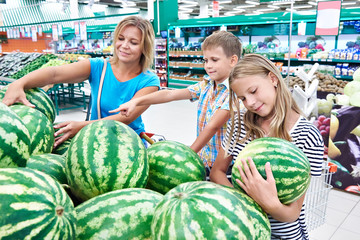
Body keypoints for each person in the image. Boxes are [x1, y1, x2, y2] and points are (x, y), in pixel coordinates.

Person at [210, 54, 324, 240]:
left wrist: (267, 202)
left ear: (273, 79)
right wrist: (245, 202)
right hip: (244, 228)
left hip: (282, 235)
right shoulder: (238, 124)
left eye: (253, 91)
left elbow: (291, 213)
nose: (250, 103)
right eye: (243, 98)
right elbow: (217, 172)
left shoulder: (307, 136)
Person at [2, 16, 160, 147]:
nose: (124, 46)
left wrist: (81, 126)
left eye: (133, 42)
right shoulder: (99, 67)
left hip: (130, 144)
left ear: (144, 47)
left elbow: (125, 117)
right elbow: (54, 74)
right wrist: (19, 83)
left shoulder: (149, 81)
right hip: (94, 139)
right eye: (121, 38)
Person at [110, 30, 242, 170]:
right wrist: (136, 101)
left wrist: (188, 155)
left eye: (214, 60)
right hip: (204, 158)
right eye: (205, 60)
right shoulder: (206, 84)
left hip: (225, 165)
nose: (208, 65)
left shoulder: (235, 92)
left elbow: (213, 127)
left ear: (232, 60)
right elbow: (170, 94)